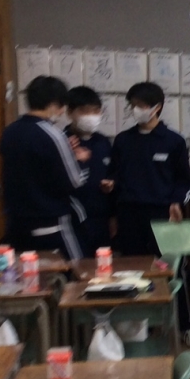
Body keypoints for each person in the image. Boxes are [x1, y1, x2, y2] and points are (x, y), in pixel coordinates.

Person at [107, 82, 190, 348]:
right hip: (130, 215)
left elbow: (186, 182)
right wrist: (110, 191)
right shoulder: (123, 140)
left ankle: (186, 326)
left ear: (156, 108)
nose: (136, 110)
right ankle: (141, 327)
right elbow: (114, 176)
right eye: (133, 106)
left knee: (175, 271)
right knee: (133, 272)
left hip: (165, 215)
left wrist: (177, 201)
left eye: (141, 105)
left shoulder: (174, 141)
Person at [0, 76, 89, 260]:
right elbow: (75, 180)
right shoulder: (53, 134)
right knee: (76, 269)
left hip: (17, 222)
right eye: (62, 106)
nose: (62, 112)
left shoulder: (9, 132)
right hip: (51, 222)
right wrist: (80, 160)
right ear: (54, 104)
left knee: (27, 272)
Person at [65, 86, 113, 256]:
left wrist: (111, 183)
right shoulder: (62, 141)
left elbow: (112, 172)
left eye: (96, 111)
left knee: (103, 264)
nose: (91, 116)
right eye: (85, 111)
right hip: (72, 219)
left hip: (101, 218)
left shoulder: (103, 142)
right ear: (70, 112)